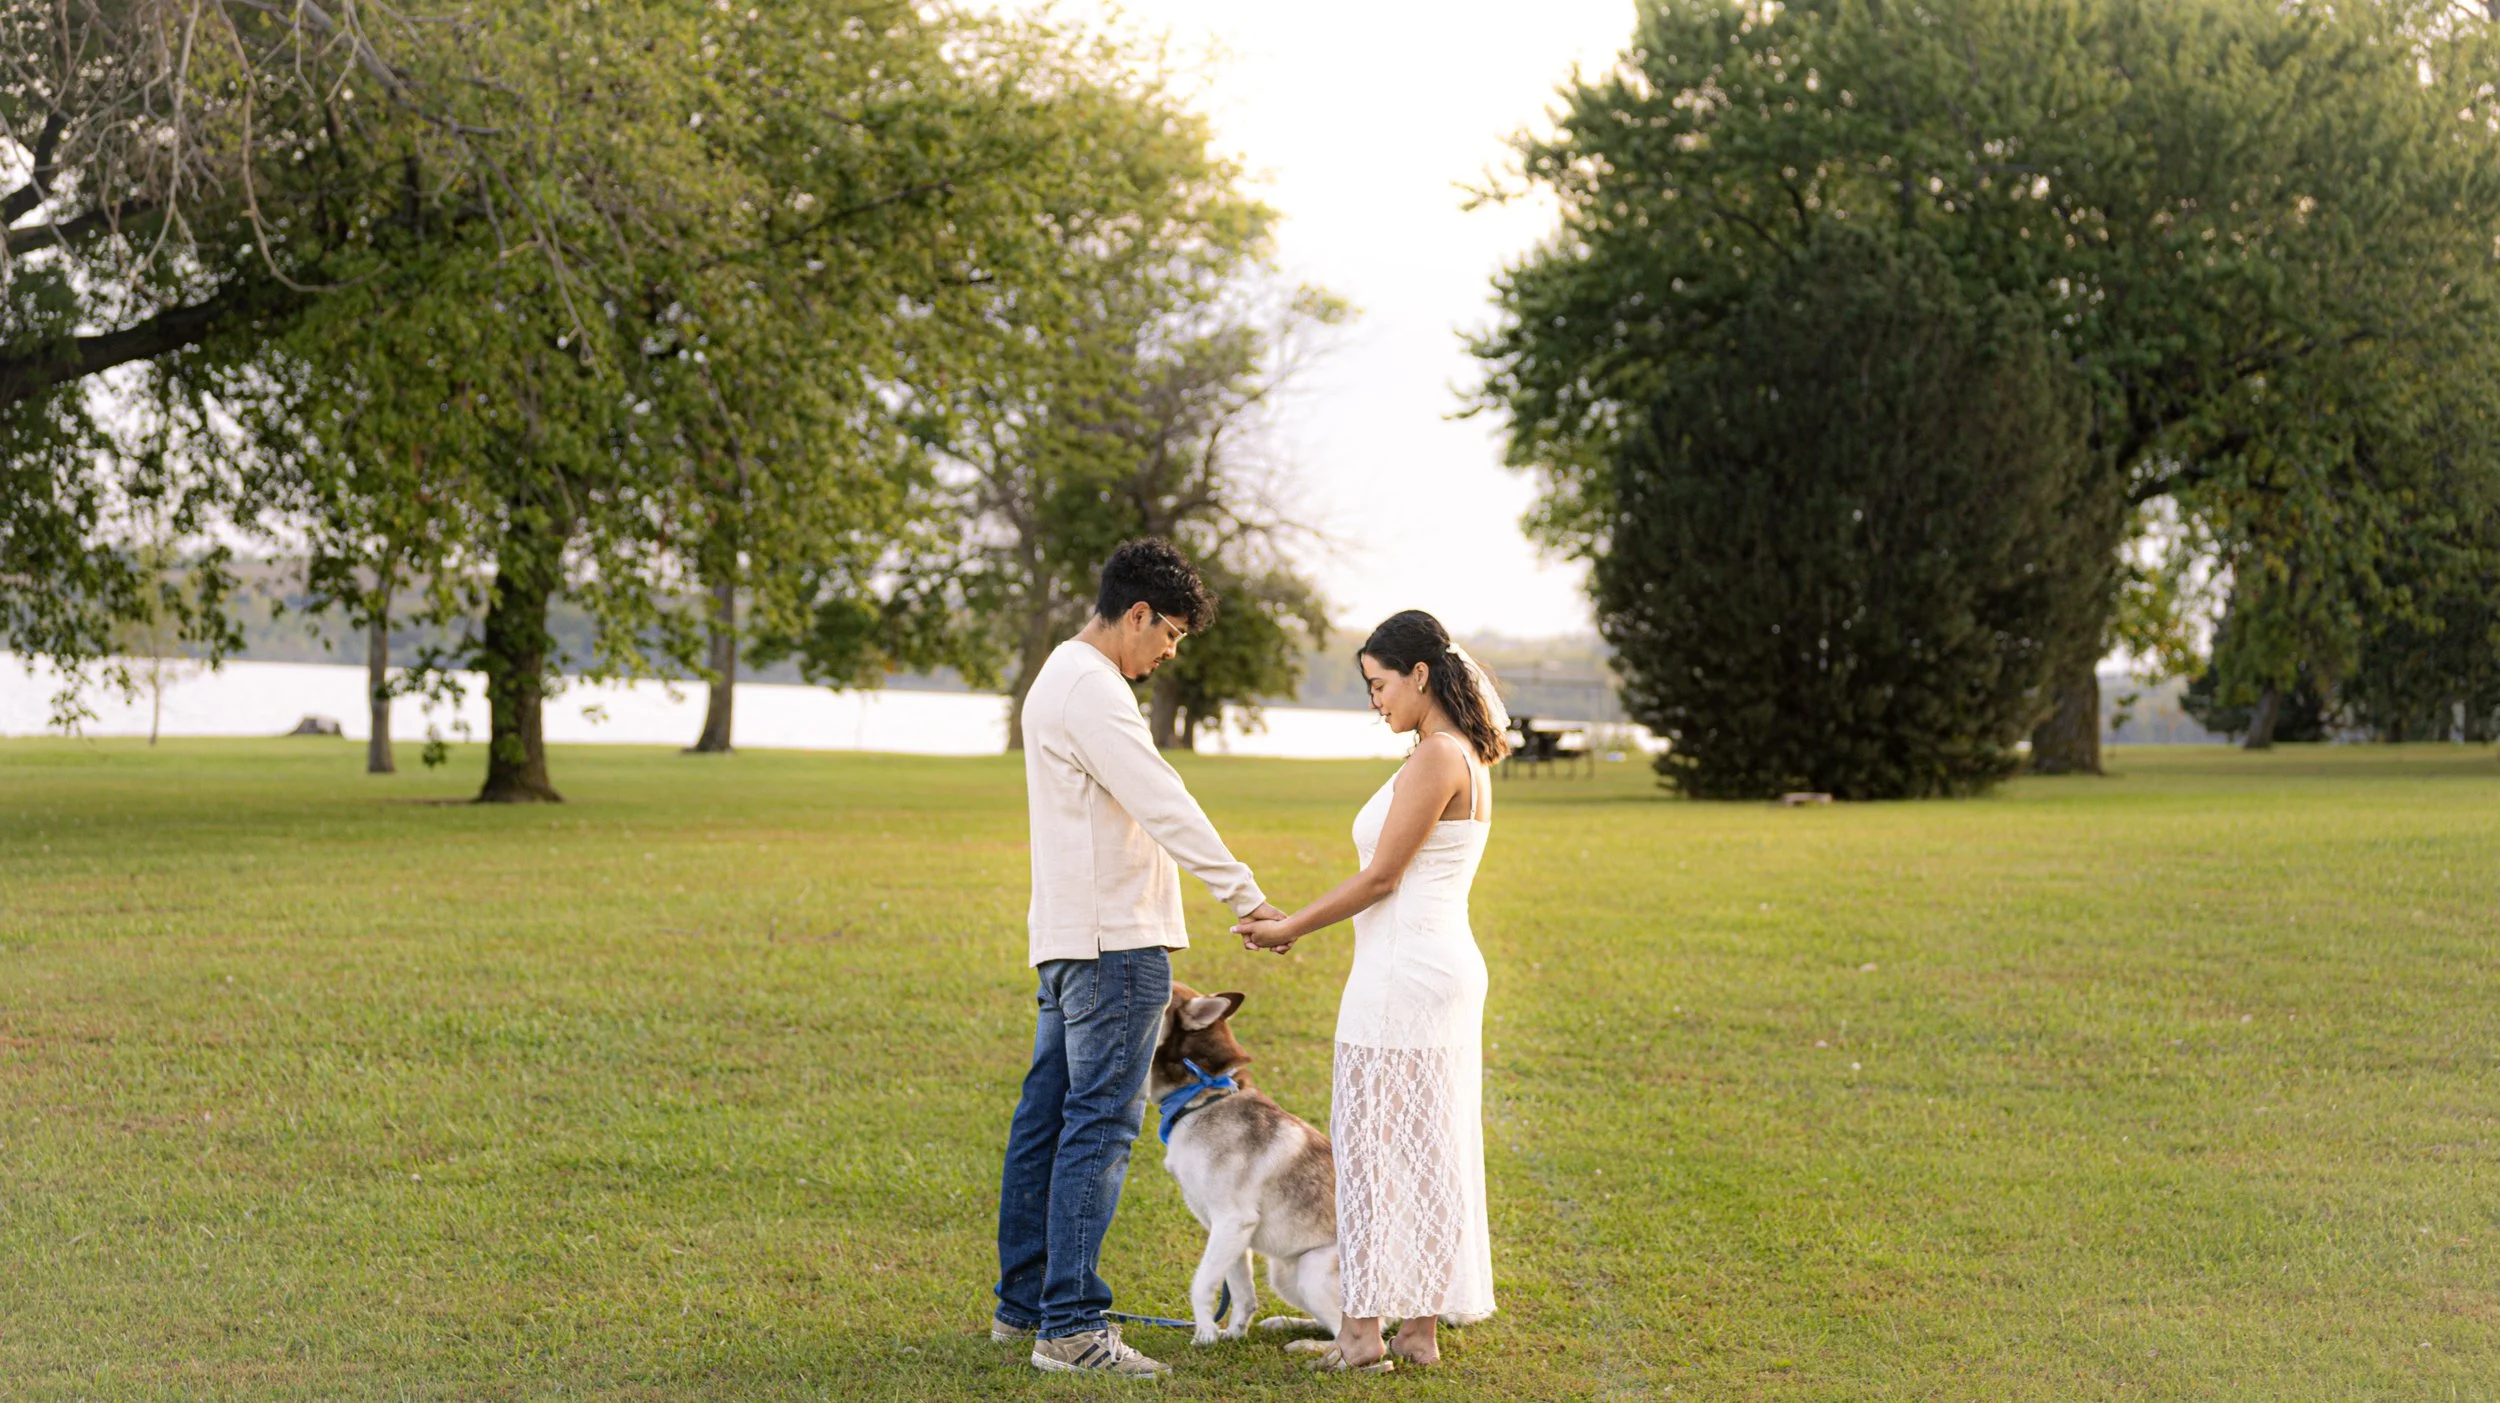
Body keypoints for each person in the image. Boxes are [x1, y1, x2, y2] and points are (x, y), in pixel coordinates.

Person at [993, 537, 1286, 1378]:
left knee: (1046, 1120)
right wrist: (1245, 895)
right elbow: (1164, 799)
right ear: (1137, 614)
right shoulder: (1095, 688)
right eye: (1170, 635)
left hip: (1068, 939)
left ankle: (1027, 1308)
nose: (1168, 652)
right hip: (1112, 945)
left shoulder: (1058, 674)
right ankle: (1072, 1327)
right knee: (1099, 1123)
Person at [1236, 609, 1508, 1373]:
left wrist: (1290, 923)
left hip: (1402, 976)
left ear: (1420, 675)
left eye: (1379, 684)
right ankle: (1414, 1333)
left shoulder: (1435, 757)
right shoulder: (1464, 754)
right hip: (1437, 969)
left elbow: (1382, 877)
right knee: (1427, 1149)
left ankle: (1361, 1337)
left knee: (1370, 1152)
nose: (1374, 701)